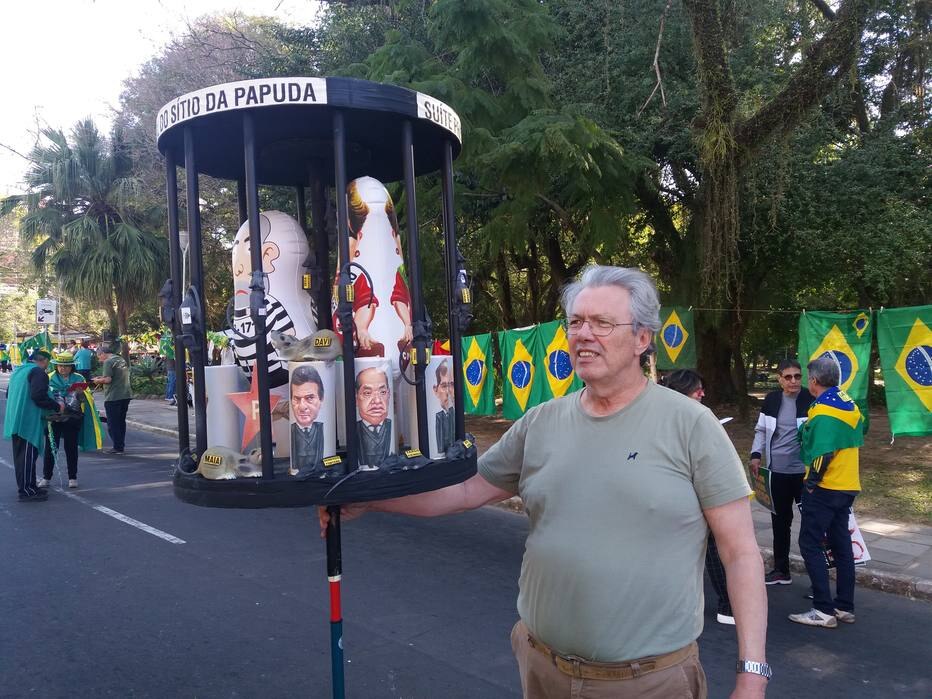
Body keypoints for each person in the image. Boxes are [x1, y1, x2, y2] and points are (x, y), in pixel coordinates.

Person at [323, 266, 770, 697]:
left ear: (642, 339)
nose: (584, 334)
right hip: (542, 669)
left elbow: (740, 552)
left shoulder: (691, 425)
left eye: (601, 322)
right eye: (576, 321)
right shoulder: (541, 422)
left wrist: (753, 676)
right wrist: (370, 500)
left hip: (648, 683)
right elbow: (463, 492)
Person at [788, 356, 863, 629]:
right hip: (848, 484)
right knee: (842, 545)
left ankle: (822, 609)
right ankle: (844, 606)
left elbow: (823, 452)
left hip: (825, 487)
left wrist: (811, 482)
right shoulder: (849, 404)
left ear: (814, 381)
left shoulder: (823, 410)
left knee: (810, 543)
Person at [660, 369, 734, 626]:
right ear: (681, 393)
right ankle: (727, 604)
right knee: (712, 548)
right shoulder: (689, 420)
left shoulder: (661, 417)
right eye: (696, 389)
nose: (702, 393)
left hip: (678, 495)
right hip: (688, 494)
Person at [750, 359, 814, 585]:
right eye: (788, 377)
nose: (794, 381)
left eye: (797, 376)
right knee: (780, 523)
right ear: (779, 379)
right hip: (777, 472)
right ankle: (780, 570)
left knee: (813, 524)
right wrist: (755, 455)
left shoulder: (810, 399)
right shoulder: (771, 400)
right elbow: (761, 430)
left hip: (805, 475)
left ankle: (818, 578)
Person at [3, 349, 63, 501]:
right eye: (47, 364)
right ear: (42, 361)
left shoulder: (18, 371)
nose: (46, 368)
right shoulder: (38, 372)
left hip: (16, 419)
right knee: (27, 457)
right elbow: (38, 396)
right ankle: (26, 491)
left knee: (22, 456)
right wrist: (56, 406)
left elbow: (8, 394)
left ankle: (30, 486)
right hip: (28, 421)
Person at [39, 352, 102, 488]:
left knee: (71, 448)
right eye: (60, 366)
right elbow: (44, 396)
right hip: (54, 417)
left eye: (66, 366)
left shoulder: (79, 378)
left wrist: (81, 394)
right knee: (51, 448)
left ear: (72, 366)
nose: (63, 368)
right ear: (56, 366)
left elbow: (86, 399)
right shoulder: (48, 377)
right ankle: (46, 477)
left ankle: (72, 477)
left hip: (73, 417)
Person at [92, 344, 131, 454]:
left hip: (113, 396)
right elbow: (115, 376)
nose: (99, 360)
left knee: (112, 423)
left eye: (99, 357)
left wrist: (97, 380)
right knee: (120, 422)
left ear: (103, 354)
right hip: (125, 394)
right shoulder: (120, 359)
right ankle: (120, 444)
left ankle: (117, 447)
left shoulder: (108, 362)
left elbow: (108, 380)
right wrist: (102, 378)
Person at [355, 366, 392, 468]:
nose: (377, 401)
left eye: (382, 392)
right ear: (356, 398)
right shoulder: (355, 430)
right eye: (367, 393)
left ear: (389, 395)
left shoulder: (391, 427)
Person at [290, 365, 325, 470]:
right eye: (296, 399)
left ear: (321, 399)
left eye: (309, 398)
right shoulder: (292, 430)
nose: (302, 407)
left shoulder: (322, 428)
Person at [433, 360, 455, 454]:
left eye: (451, 385)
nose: (448, 391)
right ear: (435, 390)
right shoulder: (438, 416)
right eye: (444, 386)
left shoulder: (453, 413)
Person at [159, 328, 177, 406]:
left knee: (170, 381)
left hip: (170, 367)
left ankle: (169, 395)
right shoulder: (170, 350)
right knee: (172, 381)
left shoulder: (165, 348)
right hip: (172, 367)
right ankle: (170, 396)